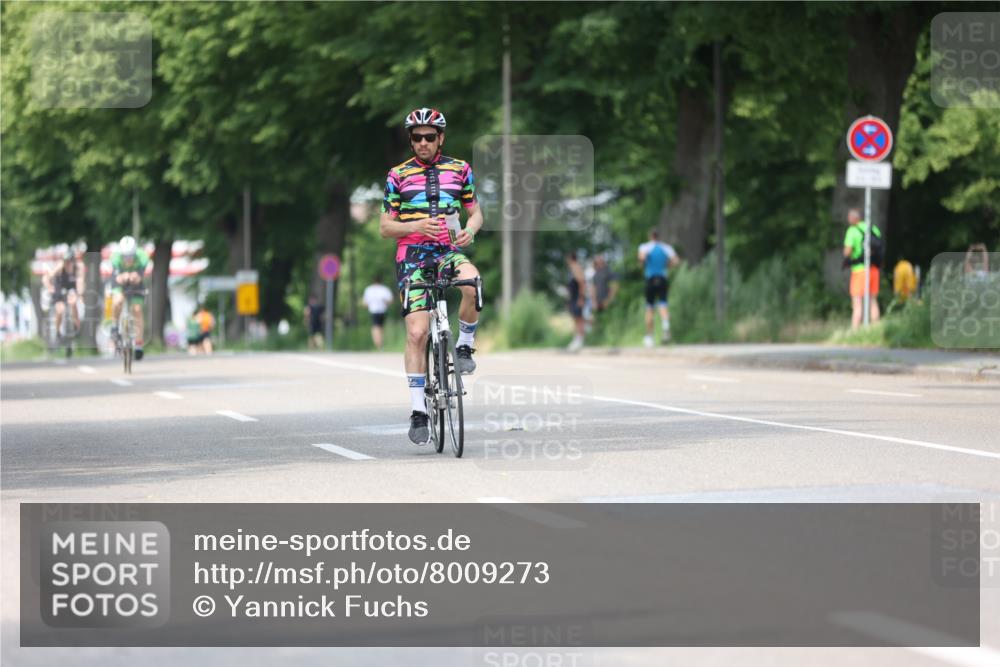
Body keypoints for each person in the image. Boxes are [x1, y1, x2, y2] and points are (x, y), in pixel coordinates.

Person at [380, 107, 484, 445]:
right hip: (412, 257)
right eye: (416, 137)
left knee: (473, 282)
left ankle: (465, 347)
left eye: (429, 136)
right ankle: (418, 412)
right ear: (410, 140)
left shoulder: (460, 169)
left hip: (447, 252)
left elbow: (476, 210)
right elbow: (385, 226)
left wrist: (470, 229)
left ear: (440, 138)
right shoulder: (397, 175)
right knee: (417, 332)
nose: (422, 143)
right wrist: (415, 226)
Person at [110, 235, 150, 359]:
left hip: (136, 282)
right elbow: (117, 277)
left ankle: (138, 344)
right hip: (120, 281)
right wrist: (124, 276)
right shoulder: (115, 257)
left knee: (137, 310)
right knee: (118, 301)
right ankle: (115, 325)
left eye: (131, 256)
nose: (128, 259)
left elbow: (140, 276)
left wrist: (134, 276)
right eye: (125, 256)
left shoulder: (142, 257)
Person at [637, 229, 679, 346]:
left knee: (649, 308)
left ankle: (649, 337)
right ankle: (666, 328)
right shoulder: (666, 248)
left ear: (650, 236)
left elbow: (641, 259)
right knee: (663, 304)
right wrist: (667, 265)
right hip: (662, 279)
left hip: (650, 279)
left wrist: (644, 263)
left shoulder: (645, 247)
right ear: (659, 236)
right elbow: (676, 261)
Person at [842, 208, 882, 329]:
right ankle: (875, 330)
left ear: (852, 218)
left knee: (857, 303)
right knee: (873, 301)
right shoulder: (873, 228)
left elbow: (847, 251)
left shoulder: (852, 230)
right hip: (874, 269)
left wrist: (847, 254)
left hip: (860, 270)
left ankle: (854, 332)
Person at [43, 247, 84, 339]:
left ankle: (76, 326)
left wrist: (80, 294)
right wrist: (49, 287)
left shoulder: (77, 268)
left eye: (70, 261)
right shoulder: (60, 267)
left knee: (73, 302)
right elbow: (46, 278)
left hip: (71, 289)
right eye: (66, 261)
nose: (68, 263)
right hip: (59, 289)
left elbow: (80, 282)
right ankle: (58, 331)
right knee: (60, 309)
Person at [362, 276, 395, 351]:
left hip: (373, 310)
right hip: (382, 310)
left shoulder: (369, 289)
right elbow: (390, 301)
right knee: (380, 327)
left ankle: (378, 344)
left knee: (376, 327)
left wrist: (370, 304)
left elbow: (364, 303)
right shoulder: (384, 289)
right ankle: (380, 344)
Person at [566, 252, 587, 352]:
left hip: (578, 298)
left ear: (570, 259)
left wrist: (581, 298)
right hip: (573, 298)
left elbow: (582, 283)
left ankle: (580, 340)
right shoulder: (571, 270)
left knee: (579, 319)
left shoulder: (576, 268)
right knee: (576, 318)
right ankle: (576, 339)